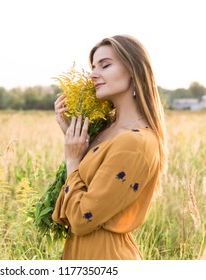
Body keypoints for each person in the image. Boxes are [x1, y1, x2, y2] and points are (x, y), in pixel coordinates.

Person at [52, 35, 167, 260]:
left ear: (134, 70)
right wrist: (72, 138)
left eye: (105, 65)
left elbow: (81, 219)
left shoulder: (136, 142)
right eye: (93, 67)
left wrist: (73, 160)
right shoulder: (105, 130)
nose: (94, 74)